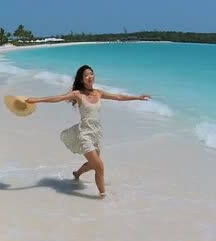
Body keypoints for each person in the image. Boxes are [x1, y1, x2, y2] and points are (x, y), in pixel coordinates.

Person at [25, 65, 151, 198]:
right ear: (81, 79)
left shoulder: (99, 93)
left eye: (91, 74)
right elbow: (58, 98)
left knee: (93, 164)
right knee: (99, 167)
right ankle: (103, 196)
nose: (90, 77)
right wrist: (37, 100)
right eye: (86, 75)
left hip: (96, 133)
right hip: (84, 134)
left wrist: (137, 97)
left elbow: (118, 97)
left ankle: (77, 174)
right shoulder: (77, 94)